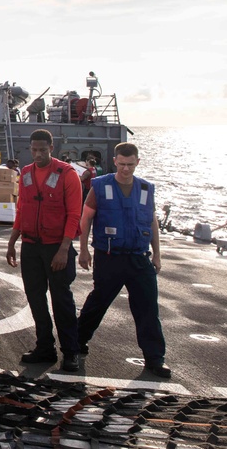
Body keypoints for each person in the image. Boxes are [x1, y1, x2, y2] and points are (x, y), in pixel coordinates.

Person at [77, 142, 171, 378]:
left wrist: (157, 254)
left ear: (137, 162)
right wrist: (84, 250)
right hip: (109, 257)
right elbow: (86, 218)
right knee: (98, 301)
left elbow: (152, 222)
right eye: (121, 164)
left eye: (130, 165)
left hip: (139, 258)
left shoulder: (146, 189)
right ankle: (77, 343)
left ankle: (154, 358)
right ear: (115, 162)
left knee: (148, 308)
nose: (126, 169)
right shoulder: (100, 186)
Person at [6, 130, 82, 371]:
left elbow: (74, 214)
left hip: (55, 248)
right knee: (36, 299)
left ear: (51, 147)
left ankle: (71, 352)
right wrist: (12, 241)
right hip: (31, 246)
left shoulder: (67, 175)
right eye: (34, 150)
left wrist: (64, 249)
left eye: (43, 150)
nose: (38, 154)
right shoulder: (26, 173)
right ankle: (44, 348)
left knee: (61, 301)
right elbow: (22, 209)